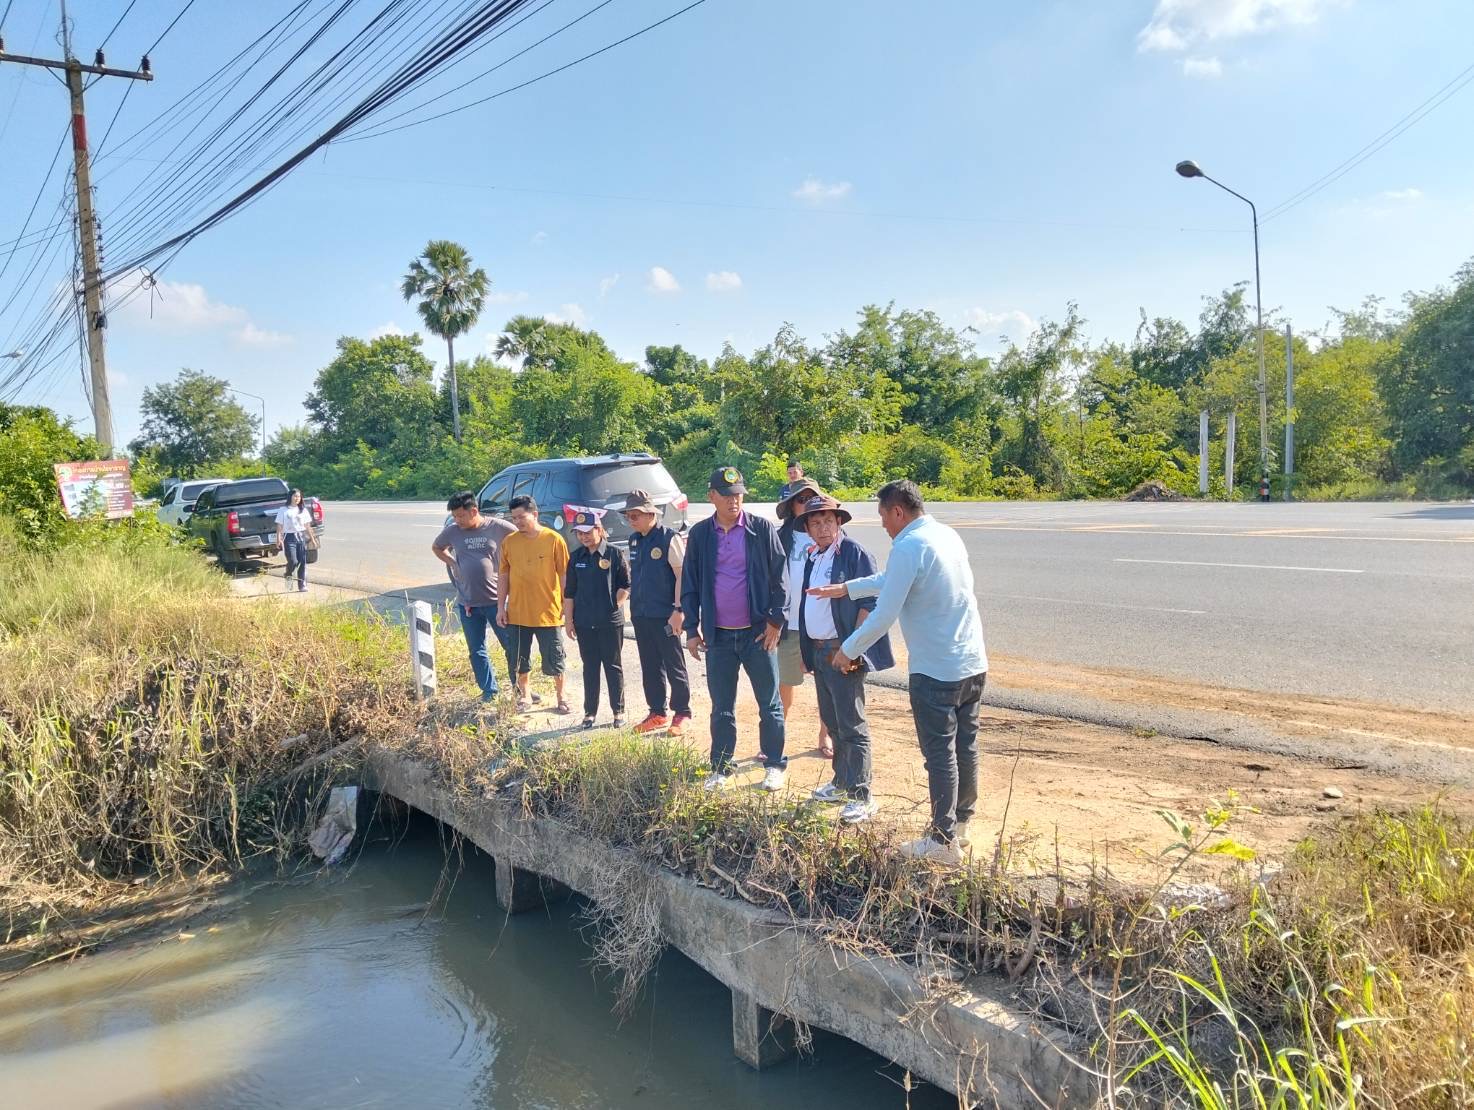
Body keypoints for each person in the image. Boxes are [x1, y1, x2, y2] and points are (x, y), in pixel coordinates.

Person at [808, 479, 987, 864]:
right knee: (965, 746)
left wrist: (848, 650)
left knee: (940, 753)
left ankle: (942, 840)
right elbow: (891, 581)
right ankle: (960, 826)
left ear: (898, 512)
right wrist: (846, 589)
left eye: (883, 517)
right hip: (972, 663)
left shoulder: (908, 545)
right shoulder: (944, 534)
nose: (883, 525)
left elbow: (884, 613)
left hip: (936, 670)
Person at [681, 465, 788, 792]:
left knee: (770, 704)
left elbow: (780, 578)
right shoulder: (701, 534)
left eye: (738, 494)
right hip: (719, 638)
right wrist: (691, 629)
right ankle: (721, 767)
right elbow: (690, 585)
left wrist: (775, 620)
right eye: (727, 495)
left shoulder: (760, 529)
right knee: (722, 708)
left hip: (758, 635)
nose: (734, 501)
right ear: (711, 496)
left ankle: (774, 764)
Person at [793, 493, 893, 824]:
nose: (822, 528)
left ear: (838, 522)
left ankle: (862, 794)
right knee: (833, 721)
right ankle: (841, 781)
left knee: (852, 724)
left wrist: (852, 649)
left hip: (842, 651)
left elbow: (870, 603)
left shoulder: (854, 553)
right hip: (819, 651)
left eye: (828, 521)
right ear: (808, 528)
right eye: (815, 522)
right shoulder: (814, 556)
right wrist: (807, 652)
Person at [432, 491, 518, 703]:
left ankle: (520, 688)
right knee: (477, 650)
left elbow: (521, 538)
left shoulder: (497, 527)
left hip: (497, 602)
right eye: (454, 516)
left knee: (512, 647)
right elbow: (437, 547)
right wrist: (452, 563)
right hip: (468, 602)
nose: (457, 520)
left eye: (461, 516)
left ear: (474, 511)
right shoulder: (453, 531)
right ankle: (489, 690)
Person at [622, 488, 693, 735]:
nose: (631, 520)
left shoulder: (668, 538)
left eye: (635, 515)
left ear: (650, 514)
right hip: (641, 613)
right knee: (650, 665)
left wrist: (679, 609)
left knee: (674, 663)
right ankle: (657, 712)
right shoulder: (634, 540)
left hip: (666, 613)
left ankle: (682, 712)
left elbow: (682, 575)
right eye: (628, 516)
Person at [497, 495, 571, 713]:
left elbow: (564, 575)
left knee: (555, 656)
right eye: (514, 518)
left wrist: (567, 605)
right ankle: (525, 695)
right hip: (517, 612)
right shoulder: (509, 542)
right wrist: (501, 607)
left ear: (535, 514)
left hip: (548, 612)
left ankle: (561, 696)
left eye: (521, 517)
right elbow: (503, 576)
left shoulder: (553, 539)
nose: (517, 522)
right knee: (518, 657)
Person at [775, 476, 831, 758]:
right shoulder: (779, 537)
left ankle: (826, 734)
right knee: (785, 681)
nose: (808, 503)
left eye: (813, 498)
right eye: (802, 499)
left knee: (826, 683)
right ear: (791, 506)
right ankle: (777, 734)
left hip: (823, 624)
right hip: (790, 624)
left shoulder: (830, 534)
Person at [564, 508, 630, 729]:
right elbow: (569, 592)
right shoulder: (576, 557)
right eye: (579, 533)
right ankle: (590, 712)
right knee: (590, 667)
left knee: (613, 666)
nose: (583, 537)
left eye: (587, 532)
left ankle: (618, 711)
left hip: (610, 621)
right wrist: (569, 621)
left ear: (599, 530)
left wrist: (614, 605)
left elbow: (626, 585)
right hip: (584, 622)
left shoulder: (614, 553)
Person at [274, 488, 314, 593]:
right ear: (290, 497)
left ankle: (302, 585)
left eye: (299, 496)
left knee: (302, 562)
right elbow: (279, 525)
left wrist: (312, 539)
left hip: (301, 537)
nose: (297, 498)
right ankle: (288, 574)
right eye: (295, 496)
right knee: (293, 561)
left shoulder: (303, 510)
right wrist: (278, 539)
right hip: (289, 537)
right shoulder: (283, 510)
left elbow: (308, 526)